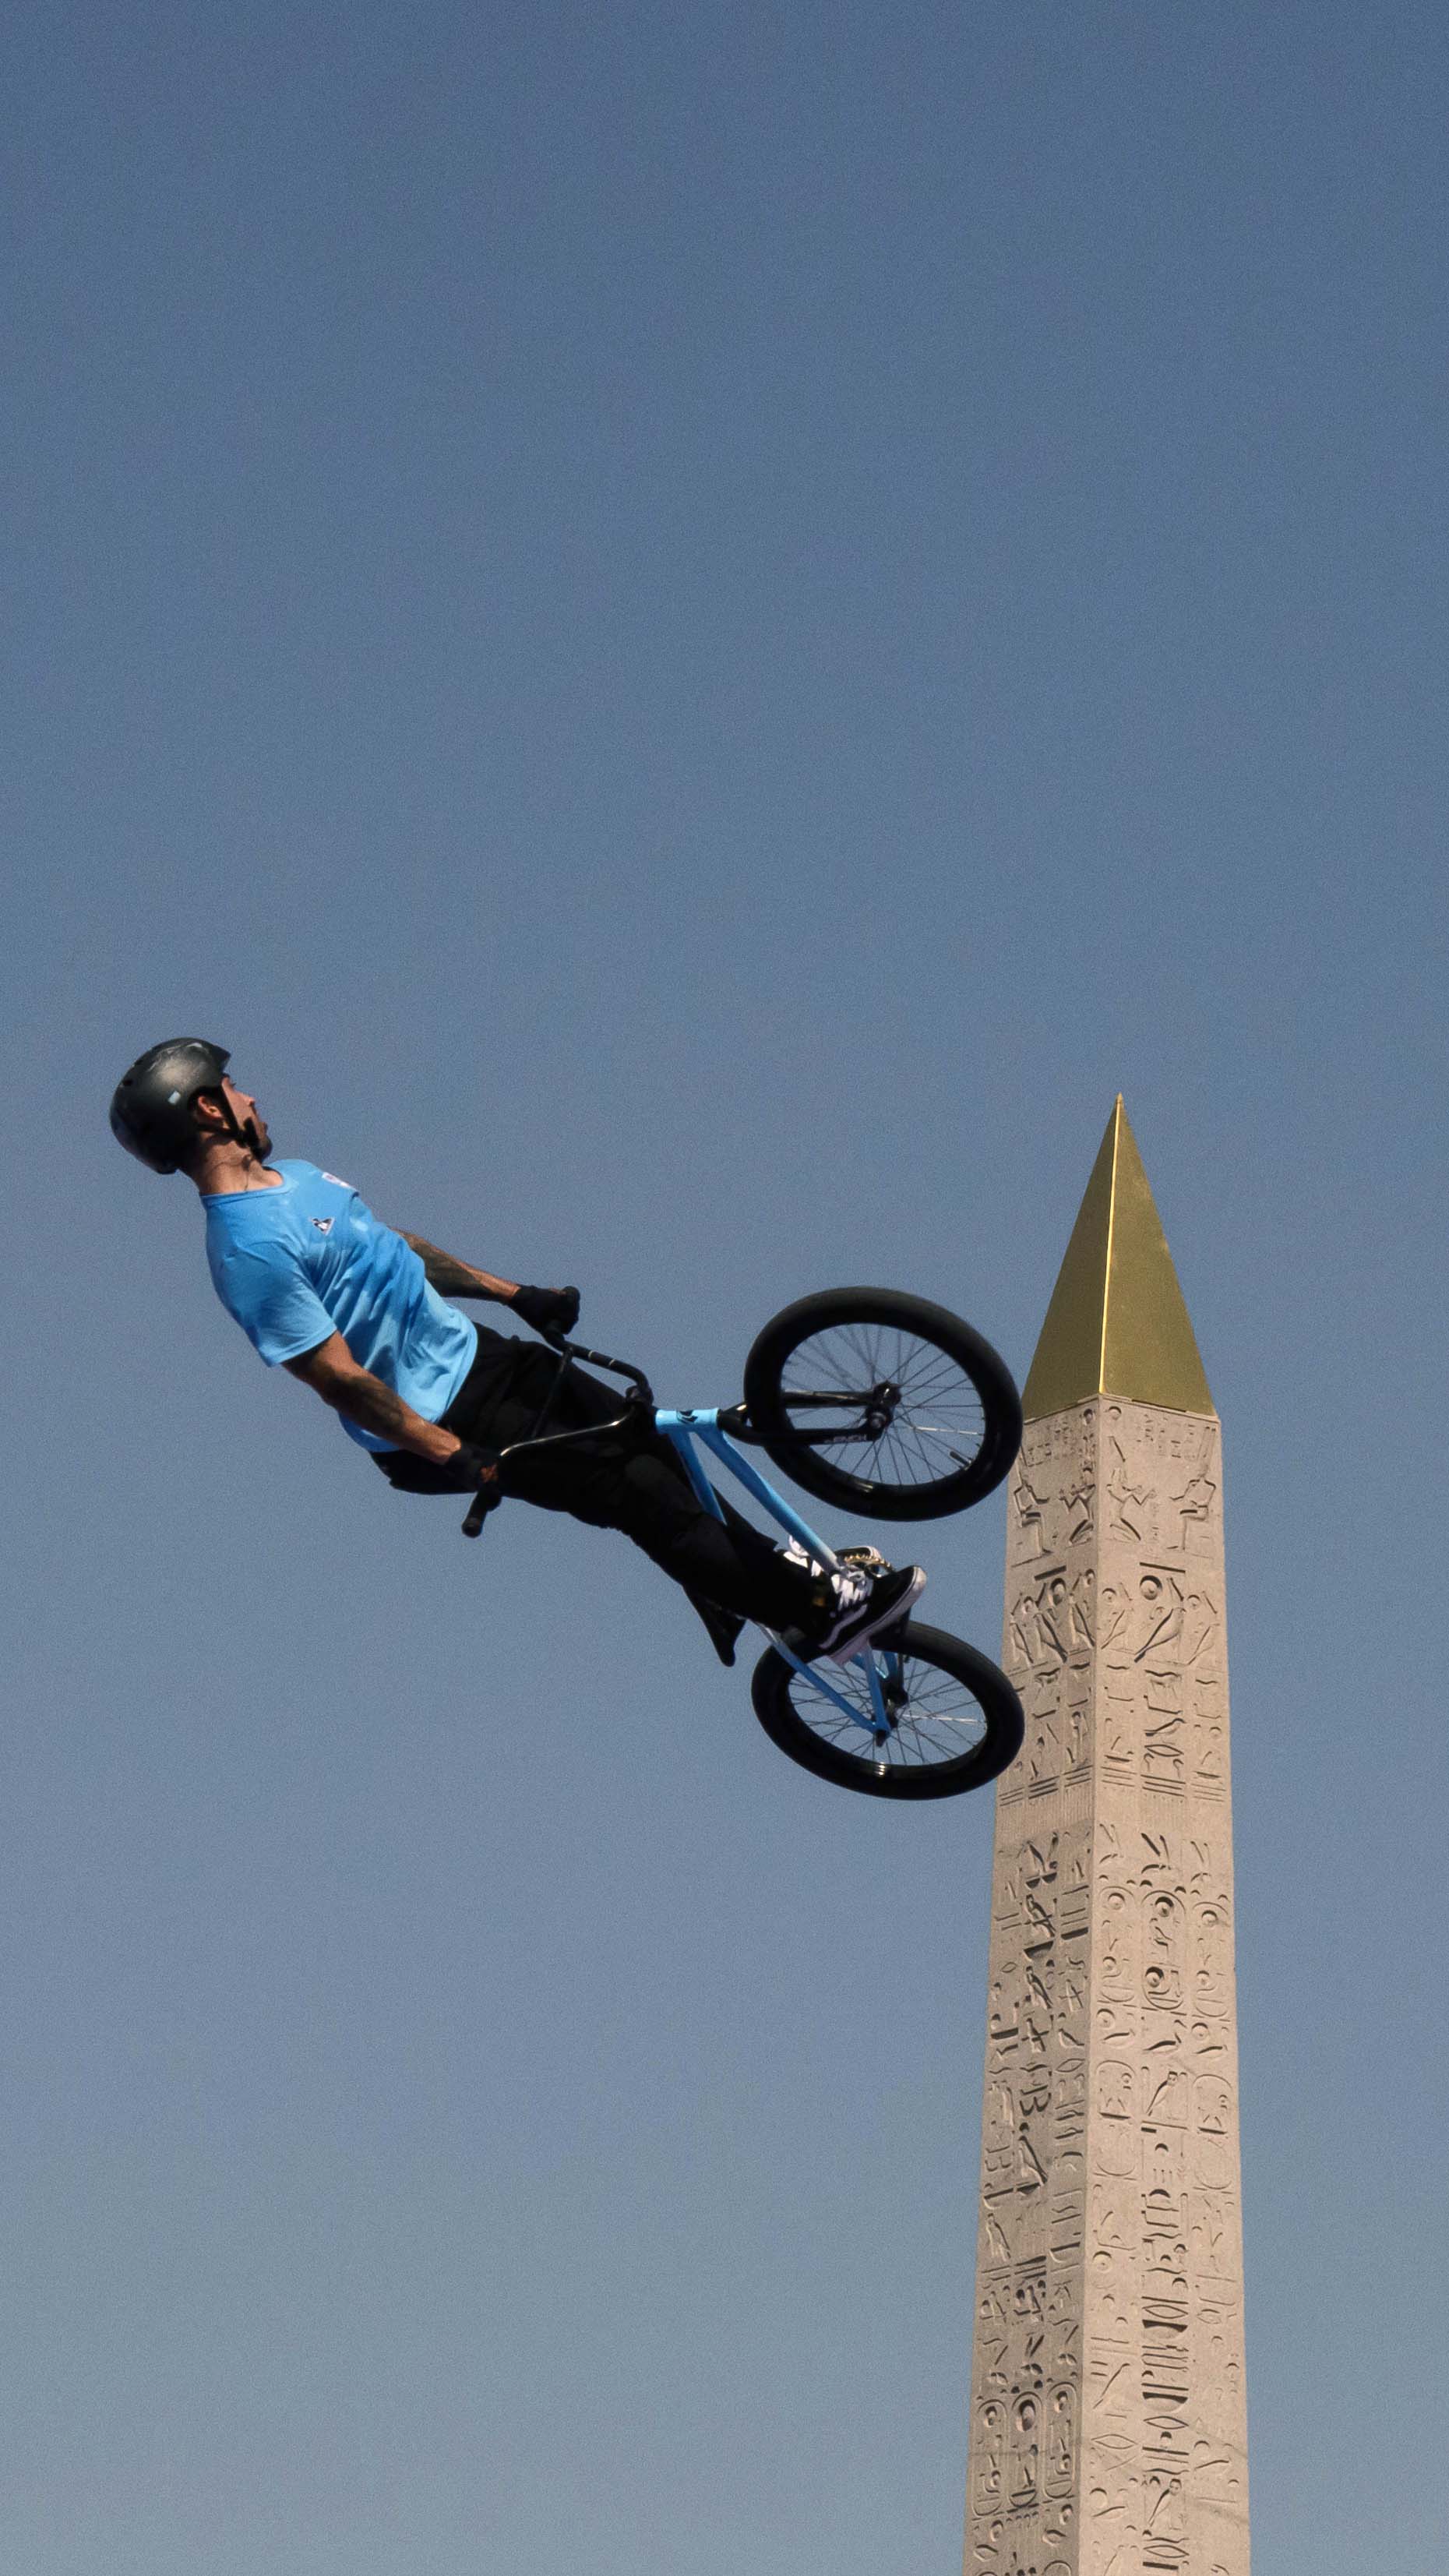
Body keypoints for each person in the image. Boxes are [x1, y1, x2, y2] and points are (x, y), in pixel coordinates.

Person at [109, 1039, 925, 1665]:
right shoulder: (245, 1251)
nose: (253, 1094)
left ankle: (761, 1582)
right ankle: (816, 1620)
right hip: (446, 1419)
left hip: (485, 1357)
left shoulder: (297, 1178)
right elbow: (335, 1379)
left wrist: (516, 1295)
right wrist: (452, 1455)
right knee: (642, 1497)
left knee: (659, 1448)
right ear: (209, 1112)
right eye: (235, 1086)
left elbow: (399, 1250)